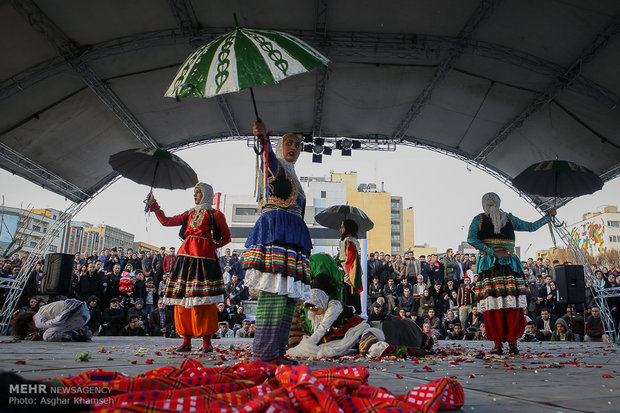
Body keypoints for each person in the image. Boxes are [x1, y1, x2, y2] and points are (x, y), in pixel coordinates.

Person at [242, 121, 312, 365]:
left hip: (293, 238)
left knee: (288, 296)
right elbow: (267, 161)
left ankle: (277, 352)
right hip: (276, 232)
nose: (293, 147)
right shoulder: (275, 165)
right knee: (273, 291)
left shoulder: (295, 177)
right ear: (279, 146)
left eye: (298, 145)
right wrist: (262, 141)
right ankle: (264, 353)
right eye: (289, 143)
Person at [467, 192, 556, 355]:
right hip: (509, 265)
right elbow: (531, 227)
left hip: (490, 266)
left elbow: (471, 240)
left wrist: (490, 251)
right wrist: (548, 217)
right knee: (512, 305)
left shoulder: (478, 219)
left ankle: (498, 344)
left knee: (494, 306)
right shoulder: (508, 218)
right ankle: (512, 343)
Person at [147, 182, 231, 353]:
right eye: (194, 192)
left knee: (204, 302)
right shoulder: (189, 213)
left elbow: (226, 238)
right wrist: (154, 206)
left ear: (206, 194)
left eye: (198, 192)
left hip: (204, 263)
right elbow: (166, 221)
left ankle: (207, 342)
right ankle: (186, 340)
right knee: (182, 301)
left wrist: (209, 246)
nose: (195, 195)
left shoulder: (216, 214)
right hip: (184, 261)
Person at [11, 298, 91, 342]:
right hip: (83, 313)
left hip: (76, 314)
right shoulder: (41, 311)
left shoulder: (38, 321)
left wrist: (42, 336)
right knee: (52, 330)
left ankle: (77, 335)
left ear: (29, 325)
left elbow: (58, 321)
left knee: (47, 336)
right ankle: (79, 331)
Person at [338, 219, 363, 313]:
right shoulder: (354, 241)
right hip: (353, 272)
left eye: (342, 227)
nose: (340, 230)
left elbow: (349, 259)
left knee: (348, 298)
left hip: (349, 273)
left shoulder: (348, 241)